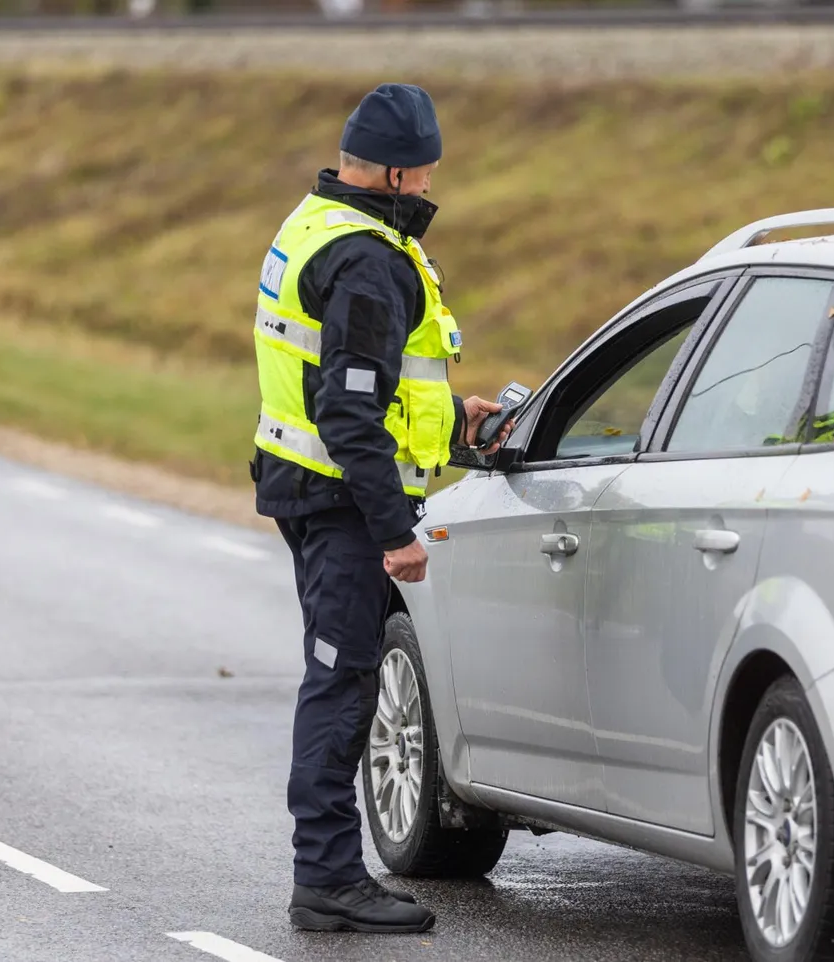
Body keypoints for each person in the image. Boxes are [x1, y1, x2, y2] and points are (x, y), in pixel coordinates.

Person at [248, 82, 512, 936]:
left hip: (308, 487)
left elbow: (361, 380)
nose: (433, 186)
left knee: (341, 675)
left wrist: (451, 414)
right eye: (429, 172)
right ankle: (326, 879)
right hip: (346, 504)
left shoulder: (313, 222)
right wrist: (395, 533)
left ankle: (327, 874)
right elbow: (349, 411)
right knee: (342, 683)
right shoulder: (368, 259)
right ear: (399, 172)